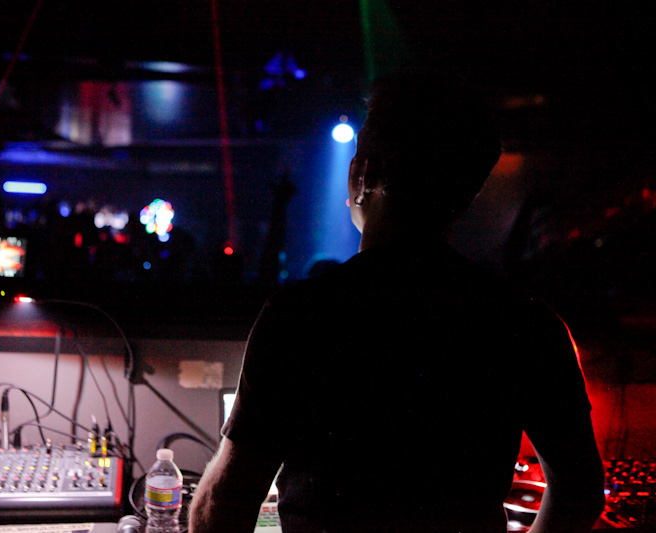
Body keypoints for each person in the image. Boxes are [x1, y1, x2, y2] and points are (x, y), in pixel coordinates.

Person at [189, 69, 605, 532]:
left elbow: (223, 505)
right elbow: (580, 491)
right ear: (467, 193)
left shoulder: (301, 316)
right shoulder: (528, 323)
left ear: (363, 175)